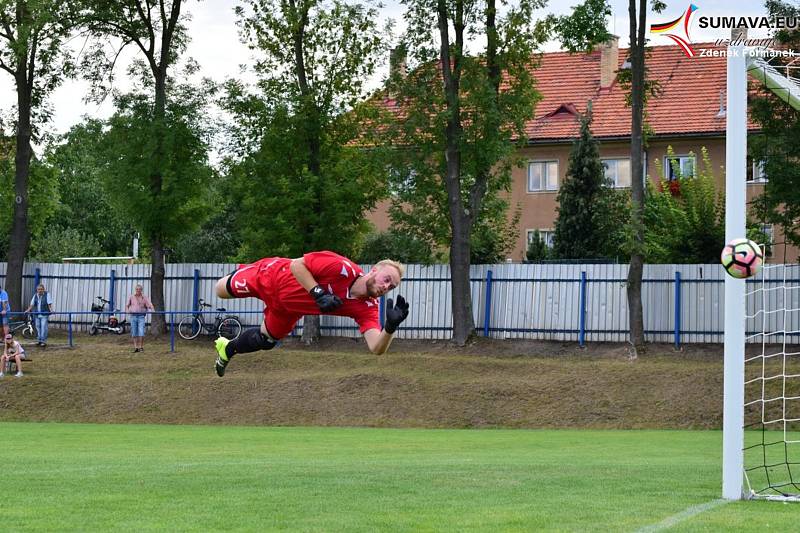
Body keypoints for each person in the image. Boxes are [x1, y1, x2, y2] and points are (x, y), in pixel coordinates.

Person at [212, 250, 410, 377]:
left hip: (287, 310)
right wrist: (319, 293)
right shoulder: (342, 266)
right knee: (220, 290)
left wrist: (390, 328)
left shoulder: (368, 307)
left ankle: (228, 349)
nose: (386, 286)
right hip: (271, 278)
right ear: (374, 270)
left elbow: (376, 348)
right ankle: (247, 269)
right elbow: (296, 264)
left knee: (266, 341)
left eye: (391, 286)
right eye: (386, 279)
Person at [125, 285, 154, 353]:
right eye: (137, 289)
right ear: (135, 290)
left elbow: (150, 305)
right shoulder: (131, 297)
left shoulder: (144, 297)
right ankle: (136, 347)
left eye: (140, 289)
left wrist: (152, 309)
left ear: (141, 290)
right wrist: (127, 310)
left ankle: (141, 347)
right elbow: (127, 305)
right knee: (134, 331)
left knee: (141, 331)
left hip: (141, 316)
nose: (138, 290)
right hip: (133, 316)